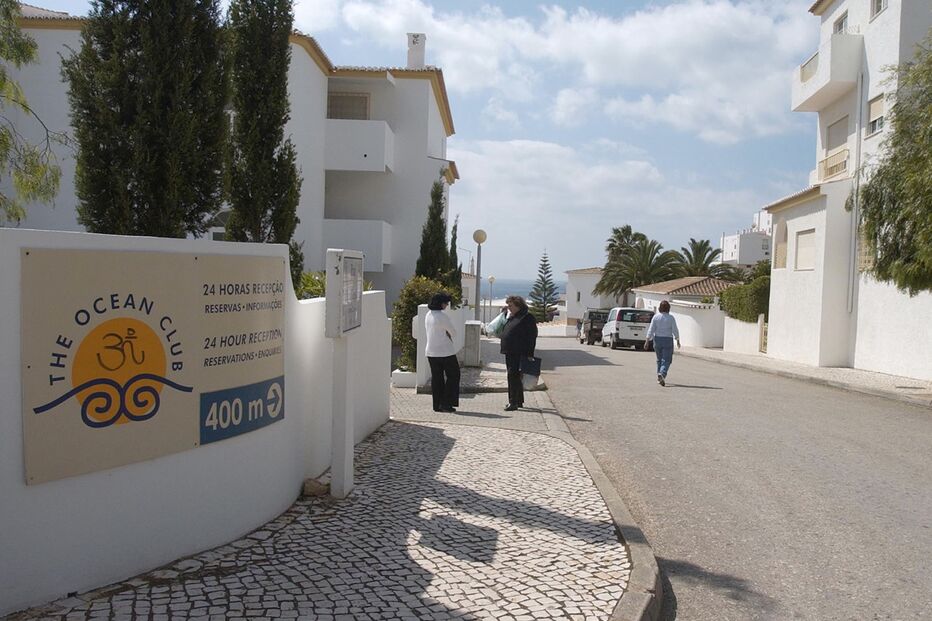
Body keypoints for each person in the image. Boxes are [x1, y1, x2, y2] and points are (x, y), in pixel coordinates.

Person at [499, 295, 538, 411]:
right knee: (515, 376)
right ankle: (519, 400)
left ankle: (513, 402)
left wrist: (530, 353)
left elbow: (532, 336)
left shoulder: (527, 317)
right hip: (510, 351)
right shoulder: (513, 316)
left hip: (519, 351)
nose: (509, 308)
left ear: (518, 305)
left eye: (511, 306)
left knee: (513, 376)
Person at [425, 293, 460, 412]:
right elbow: (453, 332)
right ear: (441, 303)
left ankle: (437, 405)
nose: (447, 305)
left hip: (431, 351)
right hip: (445, 352)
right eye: (446, 303)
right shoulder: (443, 316)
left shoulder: (428, 315)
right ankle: (447, 403)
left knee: (437, 378)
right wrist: (447, 333)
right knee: (454, 376)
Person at [644, 300, 680, 386]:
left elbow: (651, 329)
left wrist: (647, 341)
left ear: (660, 308)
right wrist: (678, 339)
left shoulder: (656, 317)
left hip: (657, 340)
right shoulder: (671, 318)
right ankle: (662, 374)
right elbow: (675, 329)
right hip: (667, 340)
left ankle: (659, 376)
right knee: (667, 359)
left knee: (659, 359)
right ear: (668, 308)